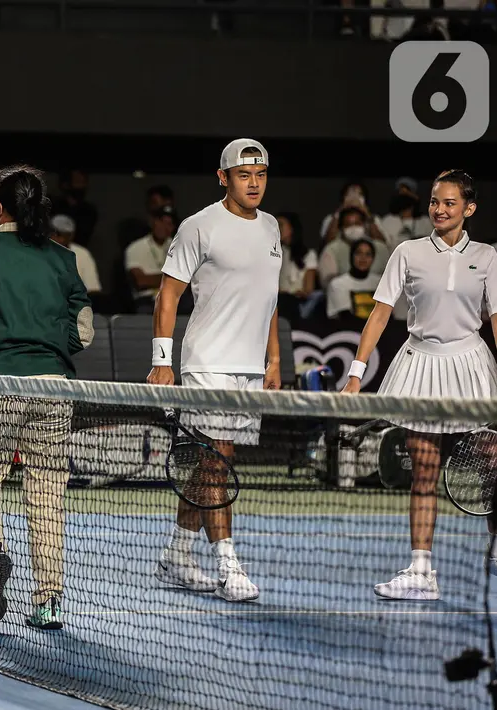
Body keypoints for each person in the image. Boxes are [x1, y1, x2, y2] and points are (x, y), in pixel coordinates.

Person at [343, 170, 497, 600]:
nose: (439, 209)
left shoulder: (487, 257)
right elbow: (380, 314)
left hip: (472, 366)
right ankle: (421, 569)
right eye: (435, 202)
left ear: (469, 209)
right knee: (423, 466)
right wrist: (355, 372)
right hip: (421, 364)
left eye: (450, 203)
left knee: (494, 458)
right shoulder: (407, 252)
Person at [0, 164, 93, 631]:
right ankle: (48, 603)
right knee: (47, 495)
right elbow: (83, 332)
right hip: (53, 388)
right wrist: (49, 349)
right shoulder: (64, 259)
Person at [147, 139, 283, 604]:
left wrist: (275, 359)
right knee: (219, 463)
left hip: (249, 370)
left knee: (212, 466)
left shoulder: (271, 227)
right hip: (208, 364)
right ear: (223, 177)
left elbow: (269, 298)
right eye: (244, 175)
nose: (254, 183)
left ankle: (175, 556)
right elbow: (167, 295)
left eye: (261, 174)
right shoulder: (197, 226)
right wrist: (162, 362)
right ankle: (229, 565)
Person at [325, 239, 380, 321]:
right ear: (351, 256)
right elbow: (345, 318)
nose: (363, 258)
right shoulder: (338, 284)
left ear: (373, 259)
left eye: (368, 254)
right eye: (359, 253)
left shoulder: (380, 283)